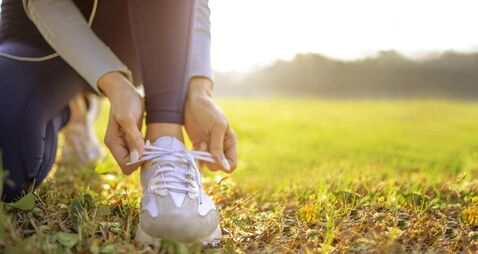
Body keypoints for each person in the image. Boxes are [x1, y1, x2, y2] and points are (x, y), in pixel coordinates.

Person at [0, 0, 237, 245]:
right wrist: (114, 84)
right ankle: (74, 109)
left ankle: (166, 141)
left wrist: (199, 89)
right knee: (6, 173)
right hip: (37, 38)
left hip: (135, 36)